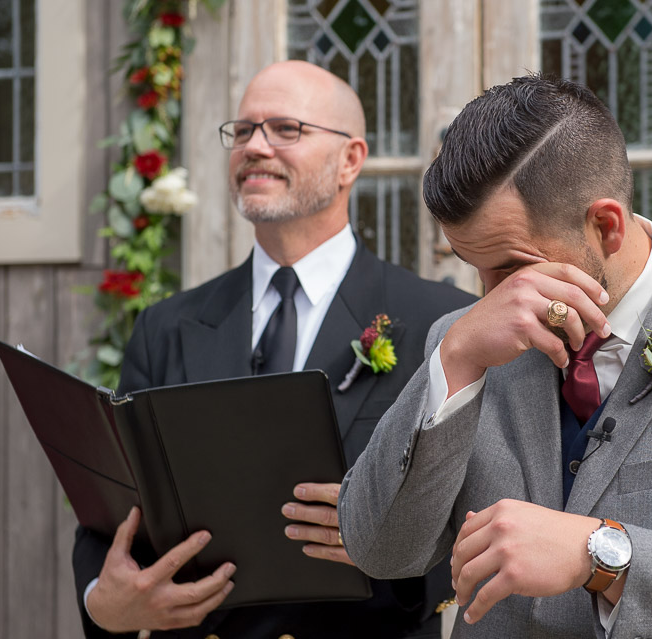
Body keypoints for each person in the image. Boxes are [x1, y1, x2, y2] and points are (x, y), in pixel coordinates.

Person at [338, 73, 652, 638]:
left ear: (605, 226)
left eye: (512, 267)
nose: (492, 297)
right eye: (473, 266)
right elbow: (378, 549)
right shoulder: (467, 339)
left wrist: (601, 554)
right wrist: (456, 356)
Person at [72, 60, 475, 639]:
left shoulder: (437, 322)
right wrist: (102, 604)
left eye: (286, 129)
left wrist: (391, 545)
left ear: (350, 160)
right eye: (242, 131)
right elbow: (112, 503)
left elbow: (476, 508)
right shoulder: (168, 327)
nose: (255, 147)